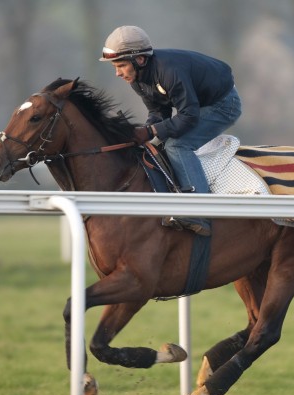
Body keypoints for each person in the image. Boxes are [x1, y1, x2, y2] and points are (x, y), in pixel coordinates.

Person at [99, 25, 242, 237]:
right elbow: (158, 111)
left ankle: (199, 210)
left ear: (140, 60)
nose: (118, 73)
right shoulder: (137, 79)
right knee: (156, 144)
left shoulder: (169, 72)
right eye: (114, 66)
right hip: (197, 105)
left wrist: (151, 131)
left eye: (121, 65)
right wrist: (146, 131)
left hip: (223, 104)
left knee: (178, 144)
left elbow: (189, 117)